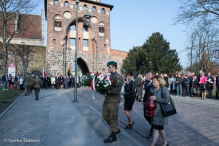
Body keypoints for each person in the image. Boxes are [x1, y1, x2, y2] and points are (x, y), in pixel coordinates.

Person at [100, 61, 123, 143]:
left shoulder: (118, 77)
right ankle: (115, 129)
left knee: (113, 117)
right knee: (104, 115)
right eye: (108, 67)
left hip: (114, 100)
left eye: (109, 67)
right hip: (108, 100)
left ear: (114, 67)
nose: (108, 68)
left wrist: (107, 91)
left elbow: (118, 89)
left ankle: (114, 136)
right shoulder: (109, 76)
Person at [149, 75, 170, 146]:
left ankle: (152, 145)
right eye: (152, 81)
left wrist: (156, 98)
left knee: (155, 129)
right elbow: (150, 99)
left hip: (161, 112)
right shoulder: (152, 89)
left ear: (159, 82)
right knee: (160, 128)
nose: (153, 83)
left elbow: (166, 100)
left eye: (154, 82)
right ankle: (165, 142)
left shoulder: (164, 89)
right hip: (153, 112)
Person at [143, 70, 155, 138]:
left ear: (153, 75)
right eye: (147, 74)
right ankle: (154, 126)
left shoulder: (154, 83)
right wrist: (144, 101)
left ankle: (153, 130)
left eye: (149, 75)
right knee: (145, 115)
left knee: (151, 116)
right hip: (146, 102)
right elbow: (146, 93)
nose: (147, 75)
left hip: (151, 103)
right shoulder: (147, 82)